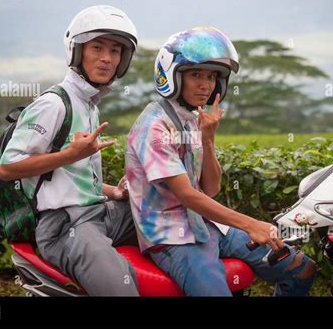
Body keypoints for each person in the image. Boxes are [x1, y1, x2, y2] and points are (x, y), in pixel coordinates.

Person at [125, 26, 317, 296]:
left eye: (212, 76)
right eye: (195, 74)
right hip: (172, 238)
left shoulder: (191, 119)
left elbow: (211, 188)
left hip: (205, 225)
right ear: (172, 74)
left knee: (301, 268)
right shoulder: (154, 126)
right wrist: (250, 224)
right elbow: (187, 195)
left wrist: (208, 138)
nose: (206, 85)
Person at [0, 5, 139, 296]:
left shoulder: (88, 104)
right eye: (97, 47)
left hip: (98, 213)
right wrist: (71, 155)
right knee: (120, 289)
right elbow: (7, 167)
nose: (106, 58)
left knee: (168, 213)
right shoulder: (54, 104)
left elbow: (68, 177)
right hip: (65, 226)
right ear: (76, 52)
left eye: (115, 51)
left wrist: (113, 192)